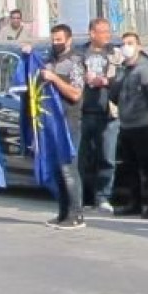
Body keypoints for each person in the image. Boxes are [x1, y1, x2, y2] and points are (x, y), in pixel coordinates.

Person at [37, 24, 89, 228]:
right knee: (57, 168)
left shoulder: (75, 62)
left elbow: (75, 93)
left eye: (59, 40)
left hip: (69, 120)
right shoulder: (50, 60)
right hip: (51, 121)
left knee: (69, 168)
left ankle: (76, 214)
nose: (55, 43)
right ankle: (63, 212)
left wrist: (55, 79)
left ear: (68, 40)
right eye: (53, 40)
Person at [109, 32, 148, 218]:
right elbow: (114, 96)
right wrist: (116, 71)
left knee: (147, 168)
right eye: (124, 44)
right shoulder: (123, 69)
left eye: (130, 43)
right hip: (126, 125)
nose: (126, 47)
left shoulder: (145, 69)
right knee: (129, 168)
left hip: (143, 125)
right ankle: (134, 203)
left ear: (139, 46)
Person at [73, 18, 119, 214]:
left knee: (107, 156)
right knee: (82, 158)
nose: (107, 36)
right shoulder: (79, 54)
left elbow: (120, 77)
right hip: (84, 112)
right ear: (92, 33)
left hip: (108, 112)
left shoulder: (114, 53)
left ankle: (103, 197)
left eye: (108, 32)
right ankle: (82, 197)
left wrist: (104, 80)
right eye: (103, 32)